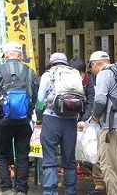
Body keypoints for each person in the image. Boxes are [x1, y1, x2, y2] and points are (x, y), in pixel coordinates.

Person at [0, 41, 39, 195]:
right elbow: (34, 96)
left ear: (5, 55)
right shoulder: (28, 71)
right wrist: (28, 111)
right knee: (23, 154)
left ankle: (6, 188)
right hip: (24, 120)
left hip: (4, 119)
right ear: (20, 55)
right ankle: (22, 190)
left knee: (2, 153)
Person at [89, 50, 117, 195]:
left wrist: (94, 117)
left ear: (94, 64)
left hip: (111, 126)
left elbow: (100, 100)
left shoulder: (104, 73)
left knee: (108, 166)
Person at [37, 52, 80, 195]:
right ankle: (70, 191)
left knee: (50, 157)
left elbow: (40, 99)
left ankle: (50, 192)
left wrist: (38, 115)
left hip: (51, 118)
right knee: (69, 158)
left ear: (51, 63)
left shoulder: (48, 75)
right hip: (71, 120)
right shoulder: (74, 74)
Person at [70, 58, 105, 195]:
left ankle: (99, 181)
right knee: (70, 150)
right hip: (73, 120)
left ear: (85, 72)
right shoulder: (69, 81)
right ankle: (69, 178)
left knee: (95, 150)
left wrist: (85, 120)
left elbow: (93, 102)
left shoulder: (91, 82)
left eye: (80, 73)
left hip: (90, 121)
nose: (77, 77)